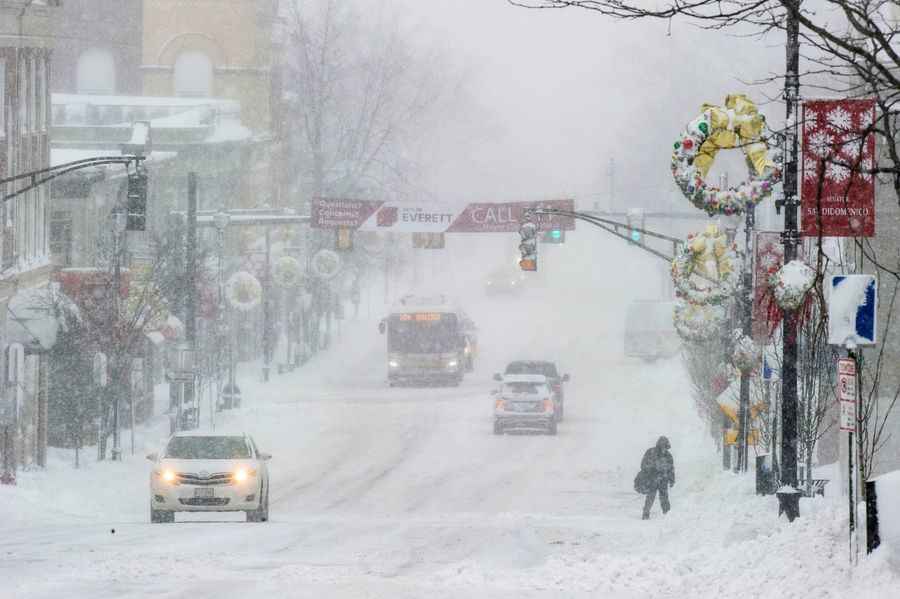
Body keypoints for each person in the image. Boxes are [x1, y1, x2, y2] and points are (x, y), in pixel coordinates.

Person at [640, 436, 675, 520]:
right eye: (662, 445)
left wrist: (671, 479)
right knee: (650, 496)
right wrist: (651, 471)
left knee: (664, 497)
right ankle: (646, 514)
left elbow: (671, 468)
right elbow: (643, 464)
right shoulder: (651, 452)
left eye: (665, 445)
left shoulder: (668, 455)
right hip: (653, 479)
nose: (664, 447)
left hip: (663, 479)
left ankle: (667, 514)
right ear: (659, 444)